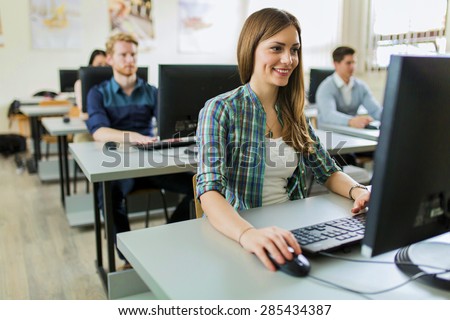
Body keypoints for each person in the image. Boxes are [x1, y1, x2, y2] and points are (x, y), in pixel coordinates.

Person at [196, 8, 371, 272]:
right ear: (251, 49)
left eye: (294, 49)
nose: (288, 59)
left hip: (293, 227)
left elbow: (328, 171)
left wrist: (359, 191)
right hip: (241, 231)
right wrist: (248, 234)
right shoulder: (220, 109)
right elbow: (209, 192)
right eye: (276, 48)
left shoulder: (293, 111)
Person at [86, 33, 194, 268]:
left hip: (150, 161)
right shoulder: (97, 93)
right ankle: (130, 259)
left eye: (133, 54)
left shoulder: (151, 91)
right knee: (107, 194)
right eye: (122, 55)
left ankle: (164, 242)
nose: (129, 59)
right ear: (110, 59)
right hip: (118, 161)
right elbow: (98, 132)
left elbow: (168, 124)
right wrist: (133, 138)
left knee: (199, 187)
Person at [316, 46, 382, 128]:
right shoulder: (326, 87)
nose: (352, 67)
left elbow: (375, 110)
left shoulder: (361, 87)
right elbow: (328, 115)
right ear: (336, 64)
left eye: (354, 62)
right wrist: (351, 121)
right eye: (348, 63)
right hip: (329, 132)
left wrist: (389, 118)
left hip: (351, 132)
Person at [74, 49, 108, 121]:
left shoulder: (112, 85)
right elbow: (84, 110)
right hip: (88, 123)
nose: (103, 68)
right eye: (99, 65)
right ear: (91, 66)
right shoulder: (81, 84)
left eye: (106, 65)